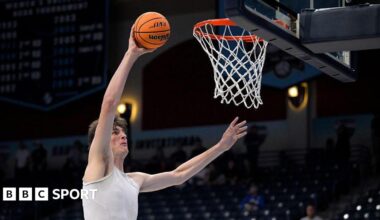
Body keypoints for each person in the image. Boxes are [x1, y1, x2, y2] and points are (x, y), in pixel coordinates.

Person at [81, 25, 248, 220]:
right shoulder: (98, 163)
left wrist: (220, 147)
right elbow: (109, 104)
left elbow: (179, 175)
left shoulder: (134, 180)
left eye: (123, 132)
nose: (122, 135)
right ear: (99, 141)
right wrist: (131, 54)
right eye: (114, 132)